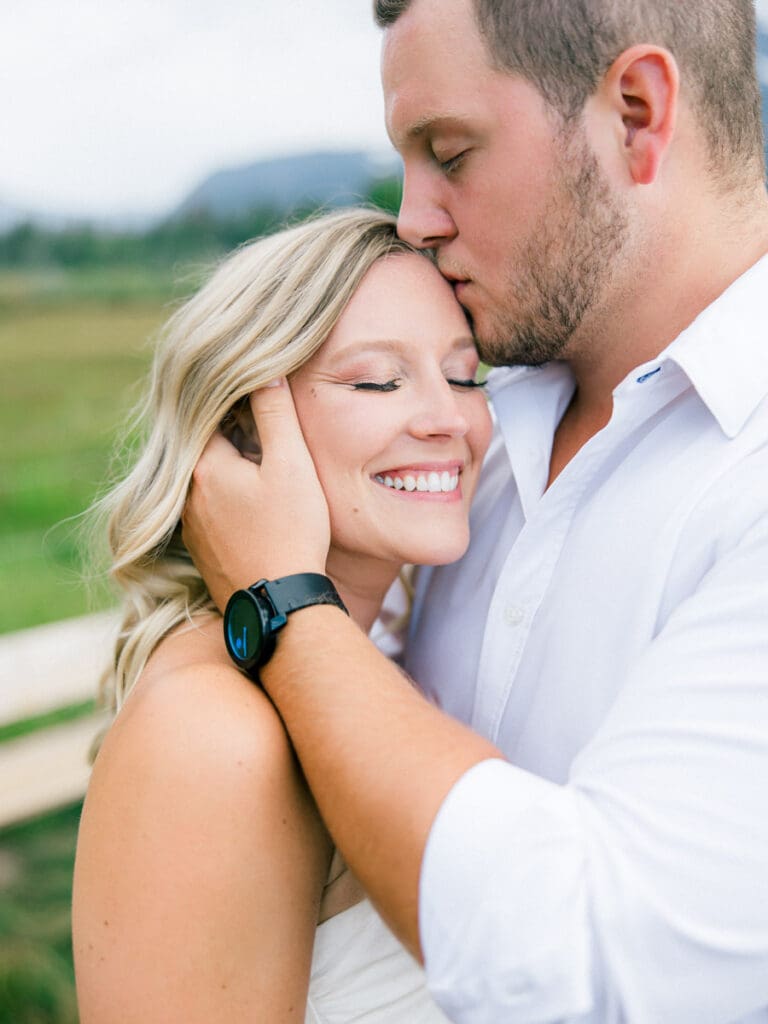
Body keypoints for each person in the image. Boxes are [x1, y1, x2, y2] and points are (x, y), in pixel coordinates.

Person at [179, 0, 768, 1021]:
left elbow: (594, 973)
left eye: (449, 152)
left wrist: (282, 606)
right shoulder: (471, 431)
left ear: (635, 111)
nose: (413, 217)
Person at [71, 206, 493, 1023]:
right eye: (378, 379)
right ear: (242, 430)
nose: (450, 417)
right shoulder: (214, 733)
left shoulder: (378, 656)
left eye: (467, 373)